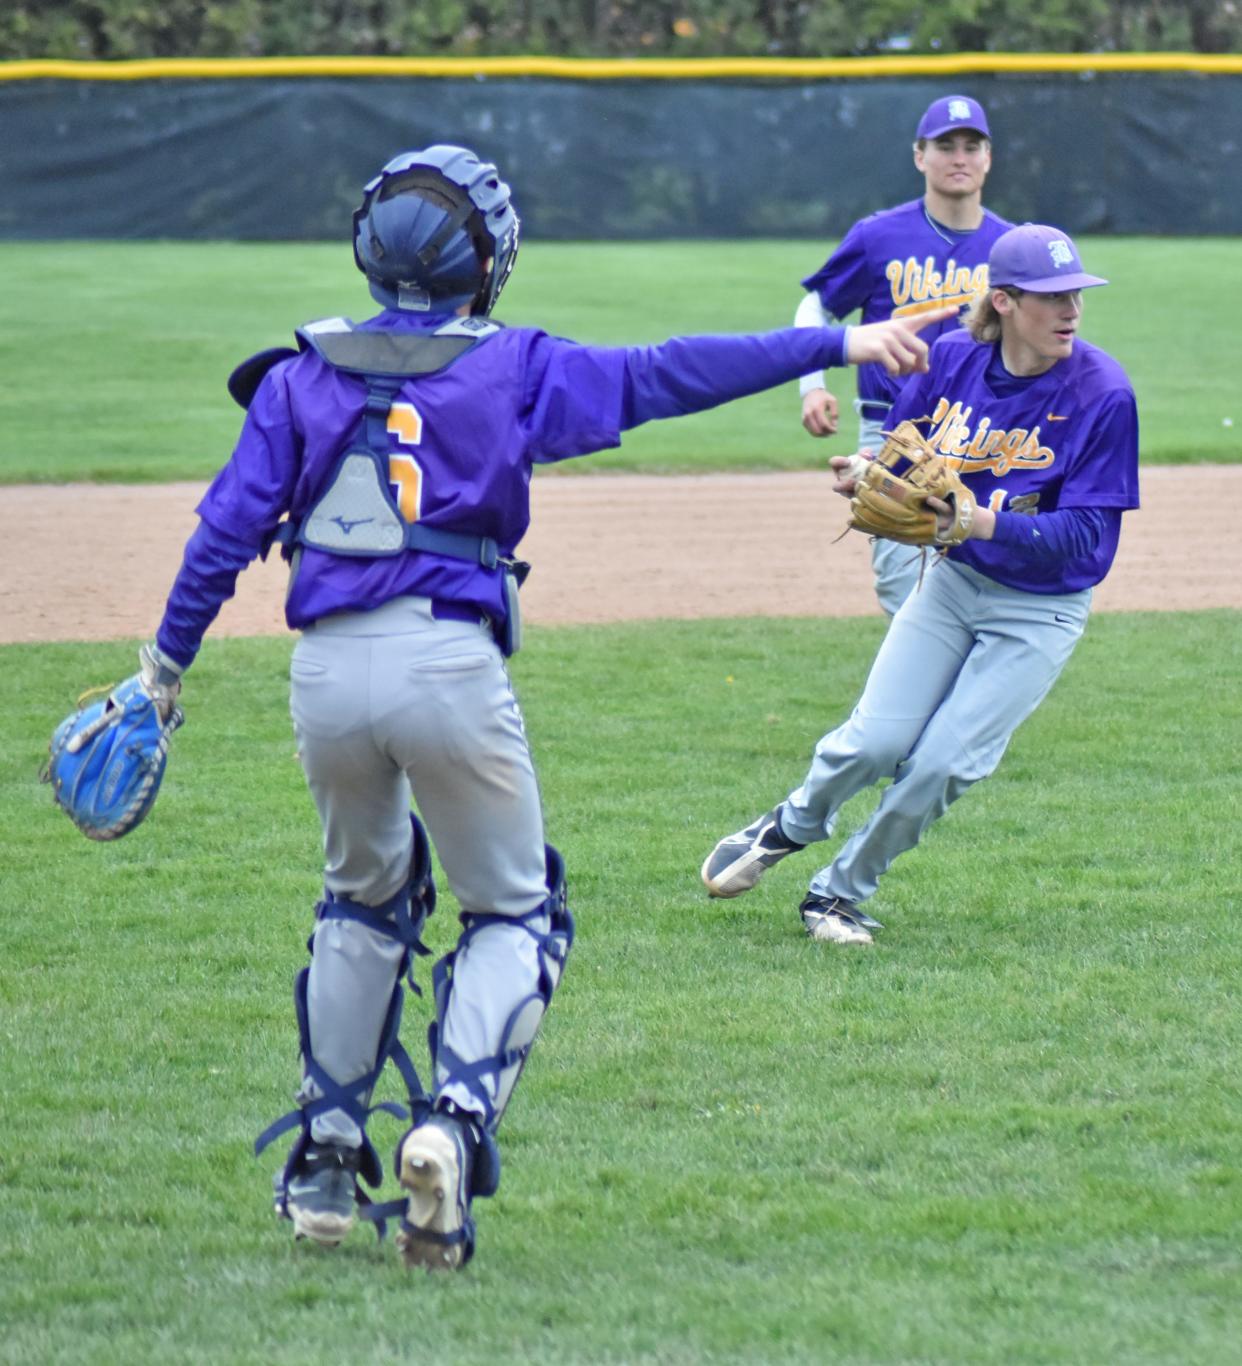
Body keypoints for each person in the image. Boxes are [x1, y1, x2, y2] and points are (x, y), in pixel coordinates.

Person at [129, 145, 952, 1270]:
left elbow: (223, 535)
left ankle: (324, 1162)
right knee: (515, 911)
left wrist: (161, 673)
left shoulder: (295, 375)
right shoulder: (511, 367)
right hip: (448, 667)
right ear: (488, 260)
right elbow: (674, 371)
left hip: (321, 677)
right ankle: (450, 1131)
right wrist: (838, 342)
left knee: (360, 897)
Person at [702, 223, 1139, 946]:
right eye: (1051, 296)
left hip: (1041, 610)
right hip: (953, 585)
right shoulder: (953, 359)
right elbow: (905, 457)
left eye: (1077, 295)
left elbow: (1088, 537)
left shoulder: (1102, 393)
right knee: (874, 743)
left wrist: (977, 521)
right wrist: (867, 477)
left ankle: (837, 894)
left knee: (944, 764)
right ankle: (791, 824)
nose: (1071, 310)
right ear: (1002, 301)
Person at [795, 94, 1013, 614]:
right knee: (903, 590)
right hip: (893, 431)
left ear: (988, 157)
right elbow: (815, 308)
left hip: (982, 431)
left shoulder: (1011, 247)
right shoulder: (878, 236)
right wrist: (813, 384)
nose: (958, 157)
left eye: (971, 145)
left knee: (985, 581)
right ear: (920, 156)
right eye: (945, 146)